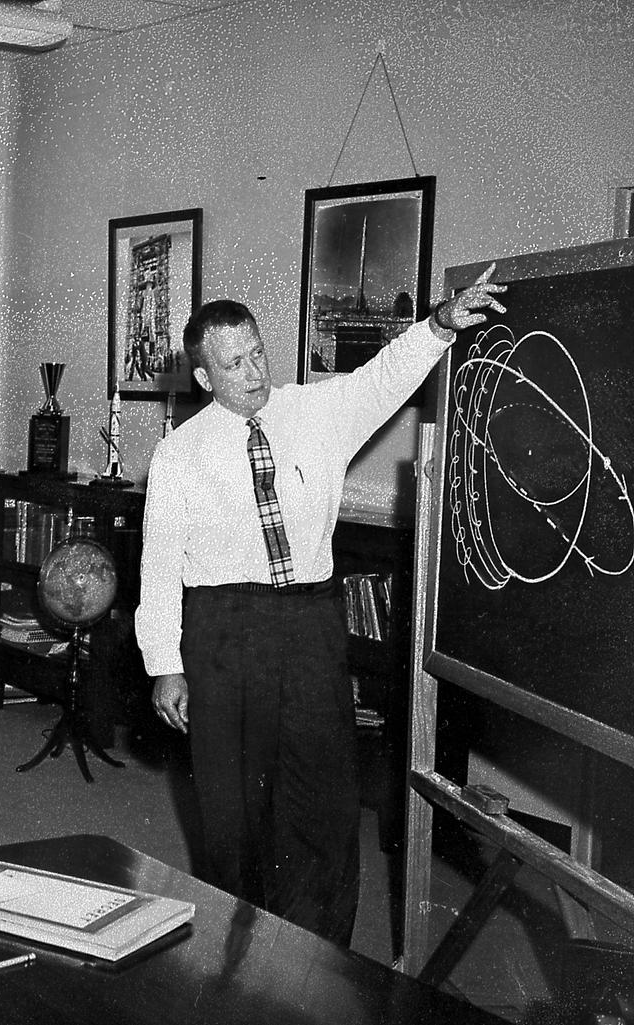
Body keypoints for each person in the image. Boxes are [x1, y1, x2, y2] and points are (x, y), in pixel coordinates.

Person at [135, 265, 506, 945]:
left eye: (256, 353)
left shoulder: (316, 412)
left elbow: (382, 378)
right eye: (233, 363)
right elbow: (158, 568)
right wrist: (166, 662)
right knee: (234, 809)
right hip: (222, 635)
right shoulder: (177, 456)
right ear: (203, 378)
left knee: (322, 801)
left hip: (309, 627)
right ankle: (234, 953)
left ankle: (318, 958)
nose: (252, 371)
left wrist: (439, 324)